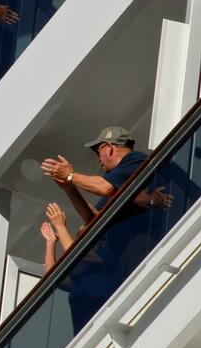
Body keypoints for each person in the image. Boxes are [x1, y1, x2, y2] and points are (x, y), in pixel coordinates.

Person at [40, 126, 172, 331]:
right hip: (121, 256)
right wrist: (68, 186)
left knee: (138, 300)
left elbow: (104, 187)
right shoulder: (118, 183)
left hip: (137, 246)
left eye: (98, 152)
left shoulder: (136, 161)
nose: (98, 160)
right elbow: (93, 219)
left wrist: (70, 175)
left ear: (108, 148)